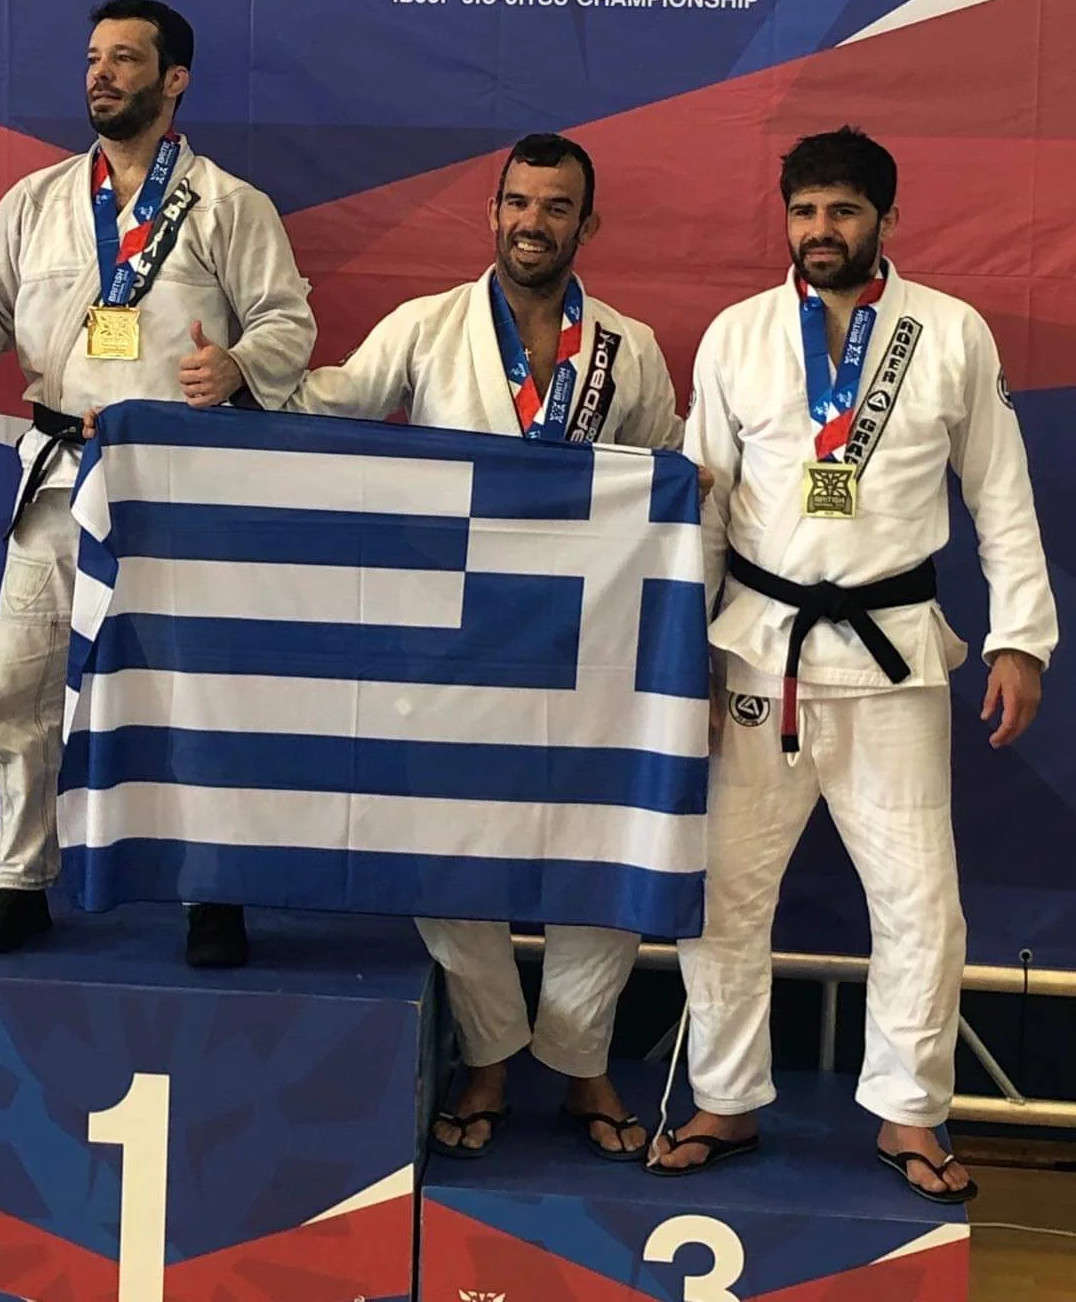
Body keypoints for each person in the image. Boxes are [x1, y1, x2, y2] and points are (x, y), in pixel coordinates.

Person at [652, 126, 1055, 1203]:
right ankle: (725, 1095)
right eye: (804, 211)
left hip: (894, 659)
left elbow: (1002, 495)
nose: (820, 230)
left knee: (922, 900)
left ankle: (910, 1110)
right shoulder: (738, 335)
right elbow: (703, 508)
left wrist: (1020, 638)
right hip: (757, 649)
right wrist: (682, 656)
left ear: (885, 217)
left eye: (841, 210)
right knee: (725, 893)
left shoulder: (950, 332)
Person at [291, 132, 683, 1159]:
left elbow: (669, 479)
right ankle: (490, 1053)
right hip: (455, 638)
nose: (532, 222)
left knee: (606, 845)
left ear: (586, 224)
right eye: (517, 201)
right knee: (447, 852)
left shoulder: (628, 347)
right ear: (493, 211)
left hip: (592, 638)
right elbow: (329, 403)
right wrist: (227, 384)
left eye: (556, 206)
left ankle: (583, 1057)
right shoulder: (427, 327)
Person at [0, 0, 315, 967]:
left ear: (174, 79)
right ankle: (18, 877)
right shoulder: (37, 200)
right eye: (94, 57)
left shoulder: (228, 204)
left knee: (194, 694)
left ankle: (211, 886)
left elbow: (288, 320)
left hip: (176, 483)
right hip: (59, 477)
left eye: (126, 58)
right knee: (18, 685)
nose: (101, 73)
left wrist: (236, 365)